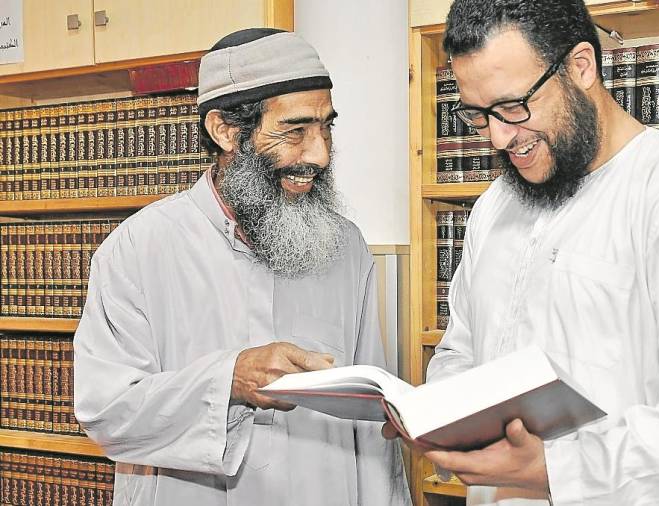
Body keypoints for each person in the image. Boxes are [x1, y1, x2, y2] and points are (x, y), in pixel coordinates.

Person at [407, 0, 659, 504]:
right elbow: (462, 351)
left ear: (581, 67)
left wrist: (557, 468)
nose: (498, 136)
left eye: (513, 106)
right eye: (478, 114)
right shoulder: (495, 206)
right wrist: (441, 415)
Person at [74, 28, 410, 506]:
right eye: (295, 130)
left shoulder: (346, 246)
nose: (320, 154)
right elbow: (105, 413)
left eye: (326, 127)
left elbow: (371, 421)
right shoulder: (137, 249)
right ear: (225, 130)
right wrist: (228, 380)